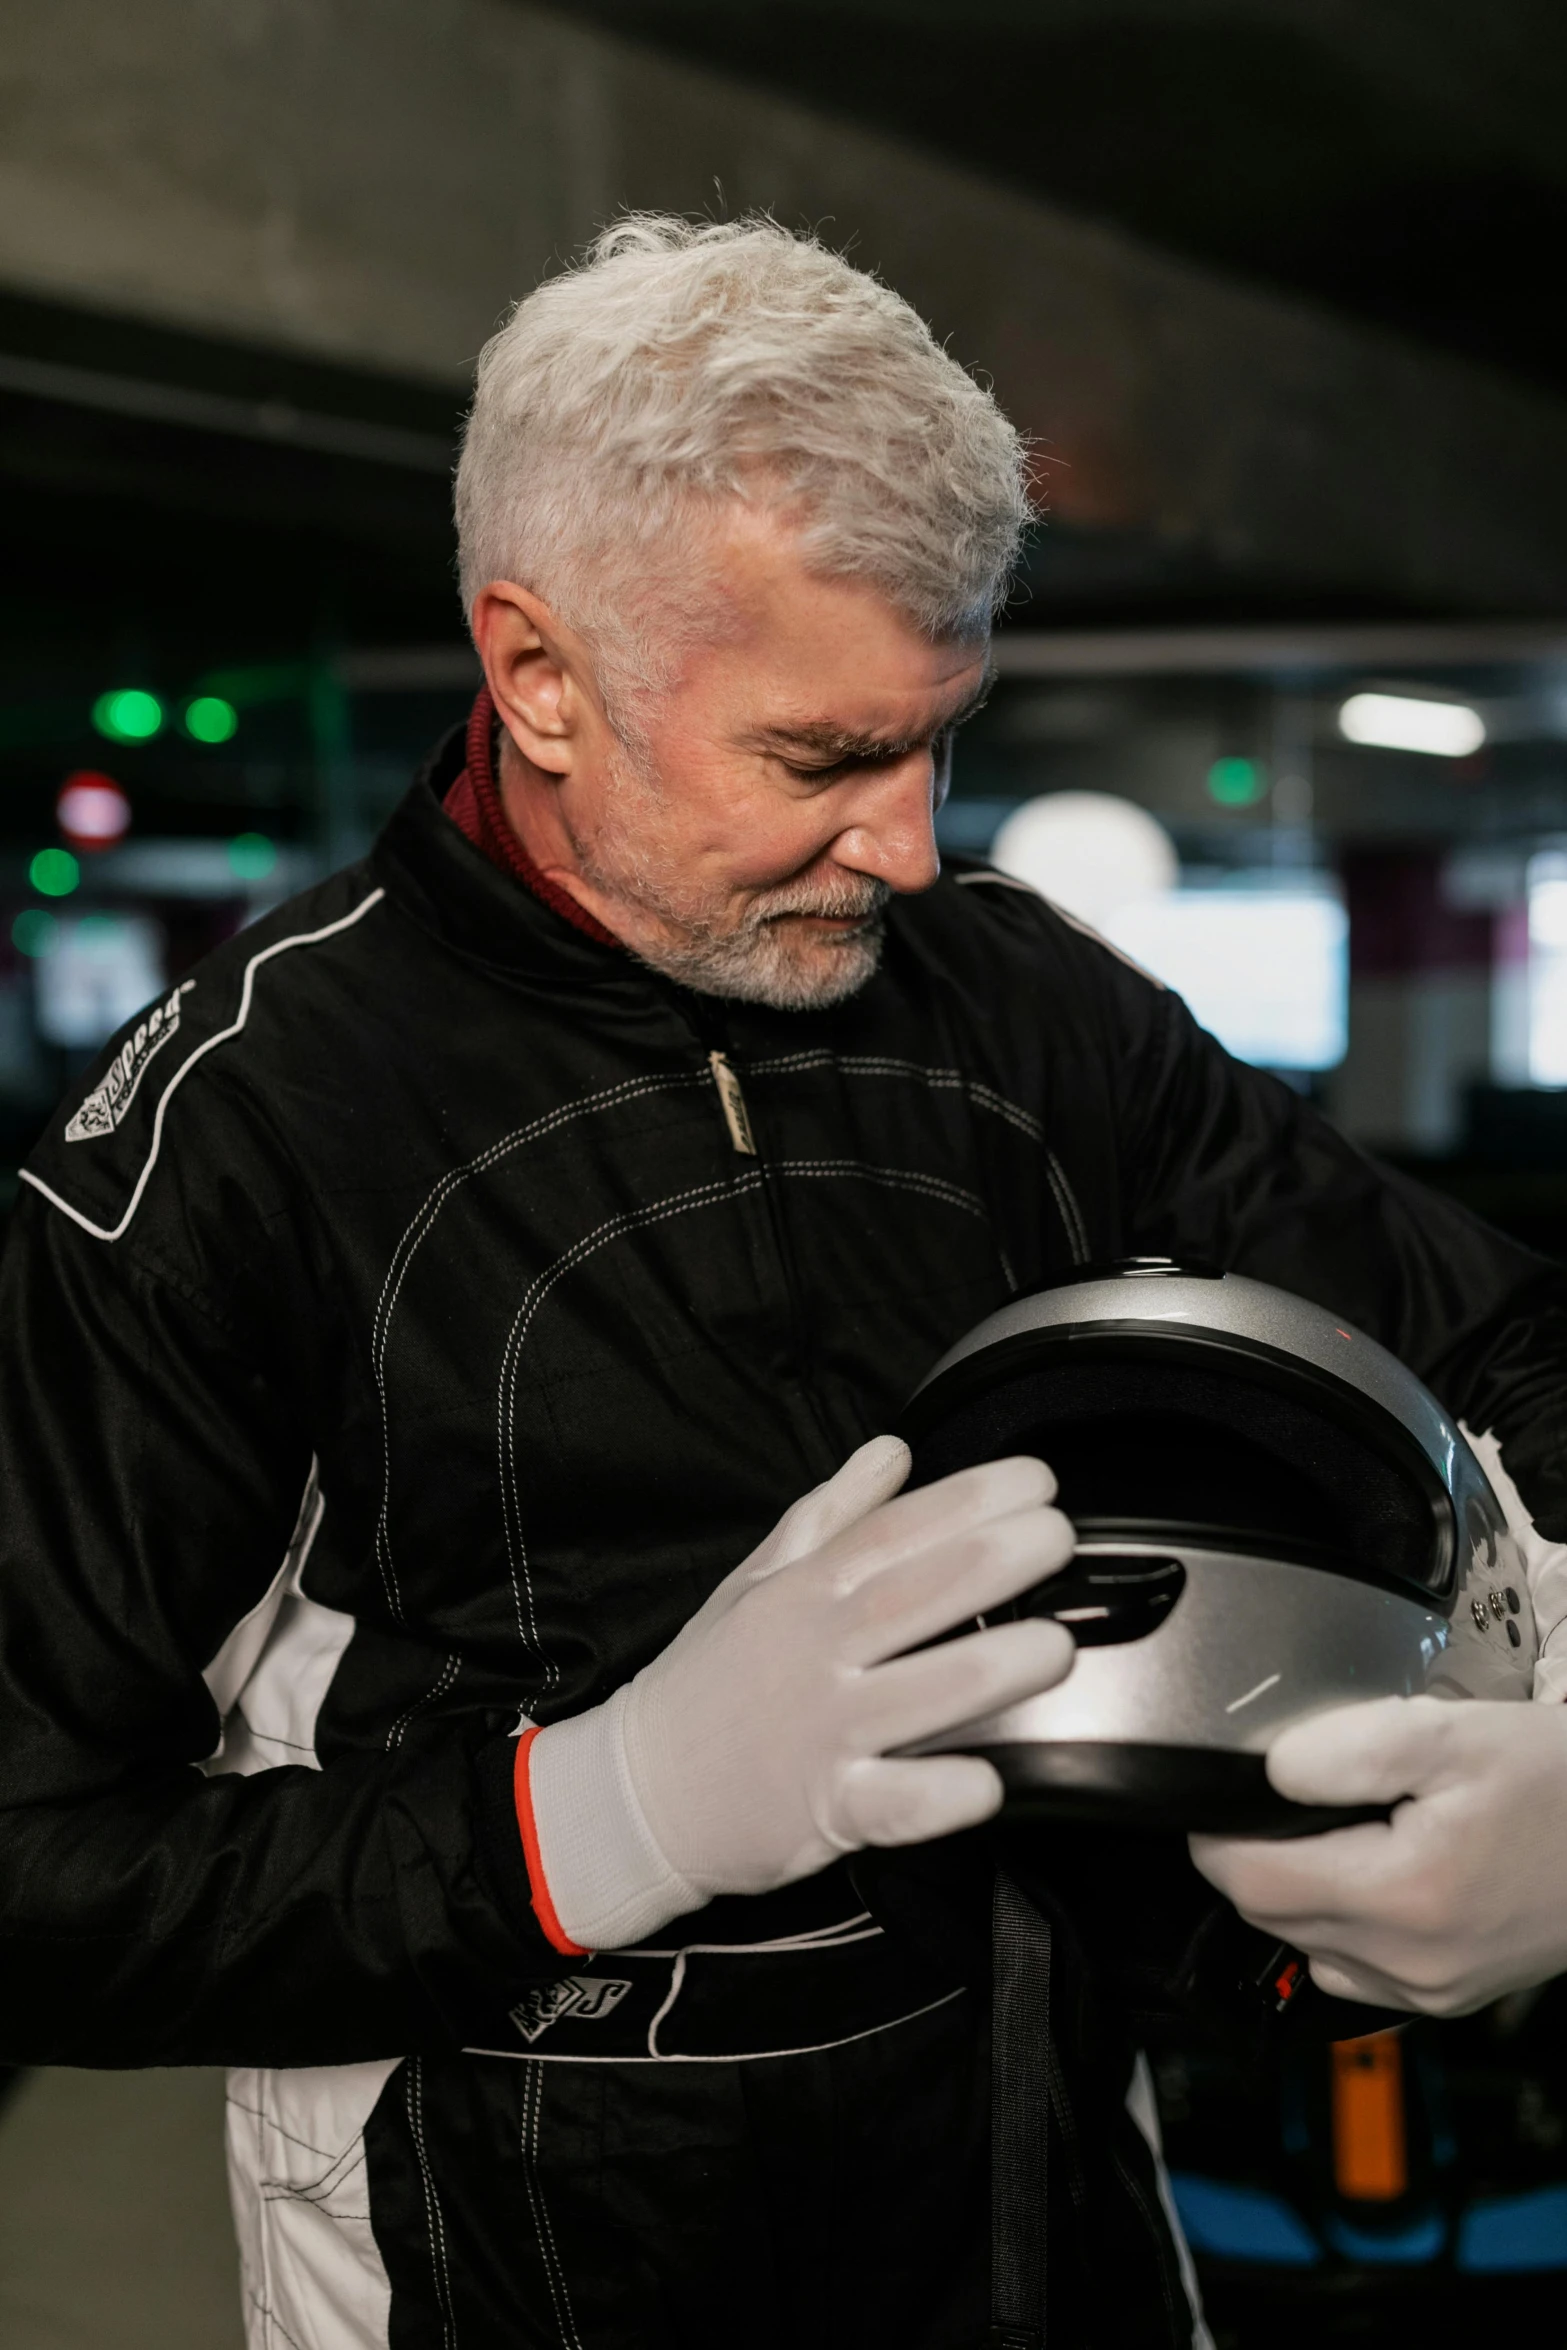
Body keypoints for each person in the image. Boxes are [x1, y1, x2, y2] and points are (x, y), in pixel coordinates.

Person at [0, 214, 1563, 2350]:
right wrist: (602, 1811)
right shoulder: (250, 1134)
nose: (914, 844)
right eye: (824, 761)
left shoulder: (1024, 1010)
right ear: (541, 676)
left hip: (1055, 2227)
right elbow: (32, 1873)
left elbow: (1508, 1346)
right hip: (513, 2271)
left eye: (940, 739)